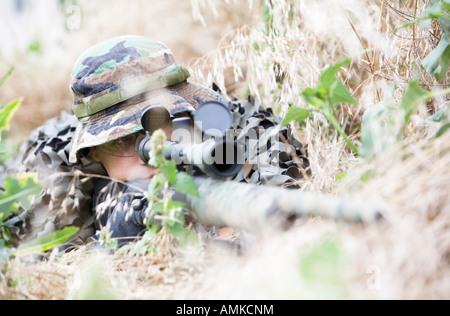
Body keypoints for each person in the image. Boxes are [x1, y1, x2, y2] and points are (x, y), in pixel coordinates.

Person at [15, 35, 309, 248]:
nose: (150, 155)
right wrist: (127, 227)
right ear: (92, 153)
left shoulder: (243, 131)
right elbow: (52, 260)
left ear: (190, 113)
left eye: (161, 124)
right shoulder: (56, 173)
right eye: (119, 142)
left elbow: (282, 195)